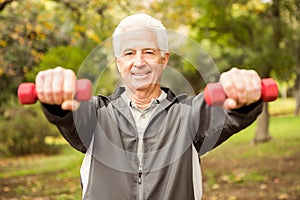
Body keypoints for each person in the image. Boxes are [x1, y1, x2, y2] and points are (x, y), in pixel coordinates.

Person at [36, 14, 263, 200]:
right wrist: (57, 95)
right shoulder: (94, 114)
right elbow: (69, 114)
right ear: (118, 63)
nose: (138, 62)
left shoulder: (189, 115)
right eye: (129, 53)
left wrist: (242, 95)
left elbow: (229, 113)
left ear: (164, 60)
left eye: (148, 52)